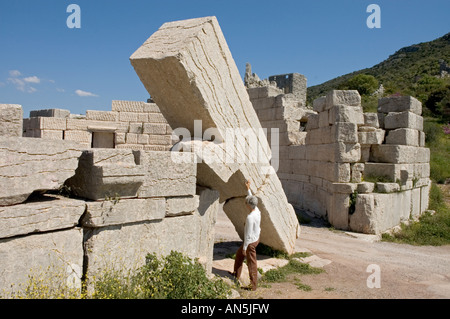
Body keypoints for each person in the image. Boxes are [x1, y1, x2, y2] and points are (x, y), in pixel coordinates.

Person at [231, 179, 261, 291]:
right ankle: (235, 275)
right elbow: (253, 199)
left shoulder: (250, 217)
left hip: (251, 242)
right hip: (256, 238)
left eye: (246, 203)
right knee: (239, 255)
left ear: (248, 205)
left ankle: (253, 286)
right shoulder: (257, 210)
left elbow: (248, 234)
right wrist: (248, 189)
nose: (245, 204)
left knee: (251, 263)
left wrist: (245, 248)